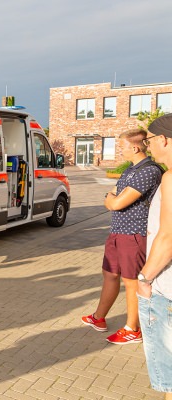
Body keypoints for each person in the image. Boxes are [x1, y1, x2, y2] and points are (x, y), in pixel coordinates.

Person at [81, 128, 162, 344]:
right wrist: (112, 199)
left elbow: (116, 201)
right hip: (117, 232)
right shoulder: (129, 170)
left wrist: (111, 199)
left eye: (122, 147)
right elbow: (115, 197)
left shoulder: (149, 171)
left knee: (132, 281)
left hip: (134, 234)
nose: (120, 151)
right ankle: (99, 318)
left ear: (135, 147)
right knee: (109, 274)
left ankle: (132, 329)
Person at [137, 114, 172, 398]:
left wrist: (144, 278)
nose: (147, 147)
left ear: (163, 139)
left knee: (169, 377)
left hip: (166, 288)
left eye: (148, 140)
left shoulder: (171, 178)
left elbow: (168, 237)